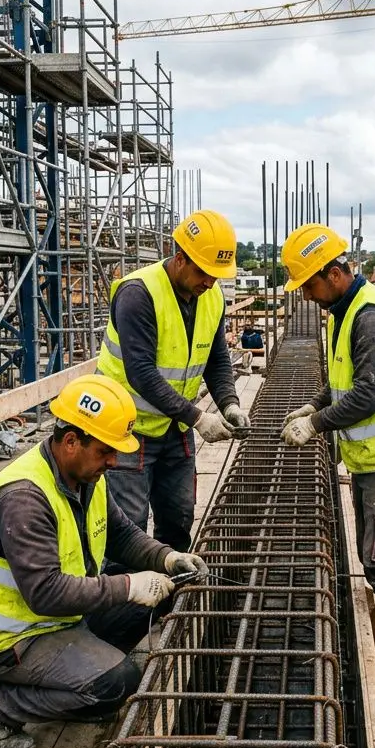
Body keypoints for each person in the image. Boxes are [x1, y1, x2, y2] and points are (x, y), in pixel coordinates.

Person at [0, 374, 207, 748]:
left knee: (165, 596)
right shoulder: (23, 499)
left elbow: (122, 535)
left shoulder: (84, 476)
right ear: (71, 441)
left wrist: (167, 558)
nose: (114, 461)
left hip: (63, 619)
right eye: (106, 451)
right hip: (13, 639)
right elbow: (45, 593)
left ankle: (77, 683)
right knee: (117, 682)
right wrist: (128, 586)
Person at [278, 224, 375, 706]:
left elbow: (369, 396)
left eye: (309, 284)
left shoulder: (369, 317)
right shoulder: (344, 312)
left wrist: (318, 424)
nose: (307, 295)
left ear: (333, 272)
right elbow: (349, 381)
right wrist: (315, 404)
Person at [96, 209, 251, 559]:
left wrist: (229, 403)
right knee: (129, 529)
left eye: (216, 275)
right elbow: (141, 373)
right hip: (126, 429)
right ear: (180, 259)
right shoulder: (139, 294)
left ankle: (171, 600)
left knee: (179, 518)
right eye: (204, 273)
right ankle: (130, 605)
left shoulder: (210, 296)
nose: (210, 282)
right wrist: (199, 417)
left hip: (174, 428)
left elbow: (216, 358)